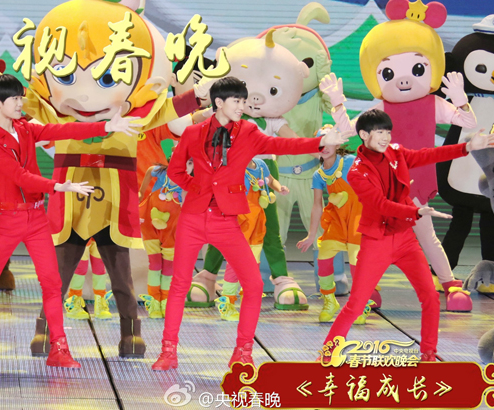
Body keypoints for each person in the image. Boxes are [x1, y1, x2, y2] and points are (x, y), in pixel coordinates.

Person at [151, 77, 348, 371]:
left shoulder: (248, 131)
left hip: (227, 219)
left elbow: (282, 144)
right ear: (219, 102)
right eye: (237, 101)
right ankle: (168, 351)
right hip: (193, 218)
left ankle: (243, 352)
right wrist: (196, 188)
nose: (242, 106)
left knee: (254, 285)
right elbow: (176, 171)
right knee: (179, 285)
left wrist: (320, 142)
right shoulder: (193, 133)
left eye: (244, 101)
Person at [0, 74, 140, 371]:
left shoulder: (24, 128)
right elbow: (20, 177)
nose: (20, 103)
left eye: (21, 97)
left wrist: (105, 127)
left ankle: (58, 349)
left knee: (52, 284)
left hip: (36, 217)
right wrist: (59, 186)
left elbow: (61, 130)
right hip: (8, 219)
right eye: (14, 99)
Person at [319, 110, 494, 363]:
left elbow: (428, 155)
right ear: (364, 135)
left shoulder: (396, 152)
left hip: (404, 239)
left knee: (430, 297)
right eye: (379, 132)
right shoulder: (357, 172)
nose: (385, 137)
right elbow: (380, 205)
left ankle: (428, 354)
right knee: (357, 304)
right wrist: (415, 211)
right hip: (377, 240)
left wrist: (467, 147)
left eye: (388, 132)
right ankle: (327, 354)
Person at [296, 136, 373, 324]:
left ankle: (360, 304)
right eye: (320, 143)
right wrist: (311, 235)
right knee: (323, 257)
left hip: (358, 219)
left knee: (357, 264)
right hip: (337, 222)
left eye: (328, 142)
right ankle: (330, 302)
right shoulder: (318, 175)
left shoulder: (350, 162)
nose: (324, 147)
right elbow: (317, 205)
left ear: (337, 144)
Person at [216, 157, 289, 322]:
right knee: (235, 263)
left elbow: (271, 180)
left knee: (253, 262)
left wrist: (279, 188)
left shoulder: (261, 165)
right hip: (240, 219)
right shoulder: (233, 166)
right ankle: (227, 303)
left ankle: (248, 301)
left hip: (257, 220)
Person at [138, 158, 193, 319]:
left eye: (191, 163)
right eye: (184, 160)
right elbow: (150, 170)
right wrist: (141, 192)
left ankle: (166, 301)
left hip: (173, 230)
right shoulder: (163, 173)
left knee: (169, 267)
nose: (186, 166)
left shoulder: (190, 183)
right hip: (150, 225)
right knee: (155, 264)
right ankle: (154, 301)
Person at [64, 238, 112, 320]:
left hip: (100, 233)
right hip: (81, 233)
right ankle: (74, 303)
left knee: (100, 266)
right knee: (80, 267)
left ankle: (100, 303)